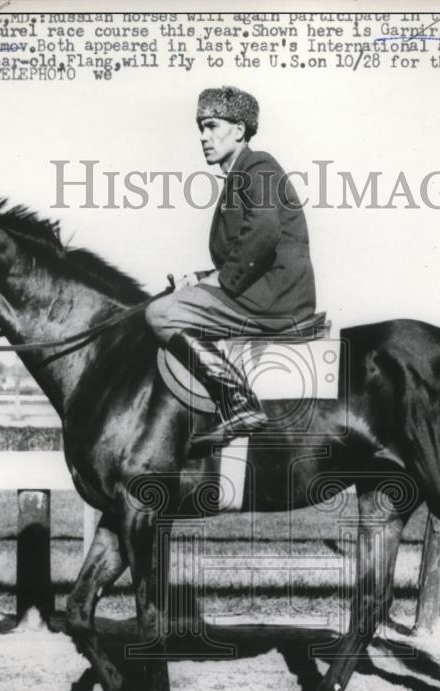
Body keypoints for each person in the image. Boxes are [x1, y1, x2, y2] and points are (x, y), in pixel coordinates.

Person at [145, 86, 317, 451]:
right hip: (260, 291)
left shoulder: (258, 166)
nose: (203, 137)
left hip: (273, 298)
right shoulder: (240, 175)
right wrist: (200, 277)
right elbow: (242, 248)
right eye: (200, 129)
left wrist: (219, 281)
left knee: (161, 313)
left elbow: (264, 231)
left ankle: (238, 401)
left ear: (239, 130)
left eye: (211, 126)